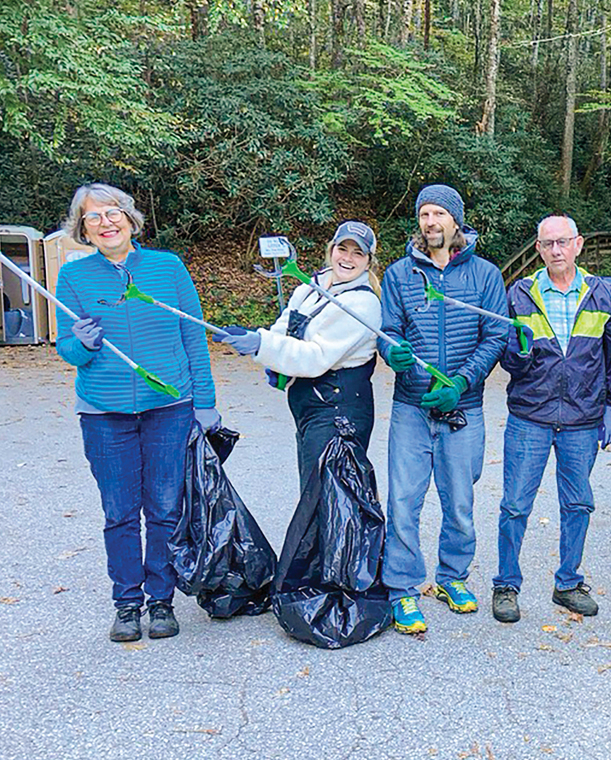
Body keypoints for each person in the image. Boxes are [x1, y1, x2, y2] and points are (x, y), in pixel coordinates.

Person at [55, 183, 219, 643]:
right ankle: (127, 604)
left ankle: (162, 601)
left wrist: (204, 403)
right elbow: (66, 346)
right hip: (104, 413)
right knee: (119, 511)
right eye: (94, 217)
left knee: (165, 508)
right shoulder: (74, 277)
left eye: (113, 213)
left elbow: (193, 337)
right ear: (82, 228)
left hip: (169, 407)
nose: (106, 223)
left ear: (129, 218)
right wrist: (80, 344)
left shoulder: (168, 268)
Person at [376, 185, 507, 634]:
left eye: (438, 214)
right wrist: (390, 350)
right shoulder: (399, 274)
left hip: (462, 409)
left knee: (460, 504)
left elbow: (495, 337)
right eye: (424, 214)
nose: (430, 222)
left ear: (455, 221)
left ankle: (453, 578)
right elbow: (388, 330)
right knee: (403, 501)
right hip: (411, 409)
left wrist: (462, 382)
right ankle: (403, 590)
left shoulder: (485, 275)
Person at [491, 215, 611, 623]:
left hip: (583, 419)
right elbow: (507, 359)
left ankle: (568, 583)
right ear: (538, 249)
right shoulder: (520, 294)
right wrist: (518, 353)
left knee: (578, 504)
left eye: (562, 242)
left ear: (578, 245)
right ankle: (506, 585)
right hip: (530, 415)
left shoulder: (604, 294)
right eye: (547, 244)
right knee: (515, 505)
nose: (555, 250)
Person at [218, 221, 382, 495]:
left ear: (368, 262)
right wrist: (262, 341)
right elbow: (286, 328)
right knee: (313, 493)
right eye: (343, 248)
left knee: (332, 503)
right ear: (331, 250)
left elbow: (316, 357)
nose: (348, 258)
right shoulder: (310, 287)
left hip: (339, 411)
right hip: (310, 407)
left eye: (358, 253)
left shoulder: (363, 305)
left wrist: (261, 345)